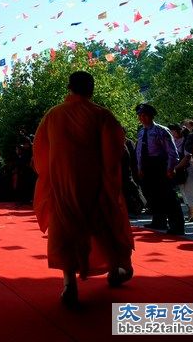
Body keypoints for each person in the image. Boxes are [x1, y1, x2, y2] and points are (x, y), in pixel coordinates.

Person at [33, 71, 134, 307]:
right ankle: (123, 267)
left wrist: (52, 174)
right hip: (95, 183)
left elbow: (40, 152)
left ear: (69, 88)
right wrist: (110, 181)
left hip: (63, 183)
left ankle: (69, 282)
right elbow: (115, 152)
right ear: (91, 88)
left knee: (66, 229)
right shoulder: (101, 114)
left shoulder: (53, 115)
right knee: (107, 224)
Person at [136, 103, 185, 235]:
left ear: (151, 116)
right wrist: (140, 167)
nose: (141, 118)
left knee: (168, 195)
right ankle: (159, 220)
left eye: (144, 115)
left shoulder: (161, 130)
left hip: (160, 164)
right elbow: (139, 152)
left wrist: (170, 168)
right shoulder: (141, 132)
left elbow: (172, 151)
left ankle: (177, 225)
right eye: (140, 115)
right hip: (147, 166)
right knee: (152, 195)